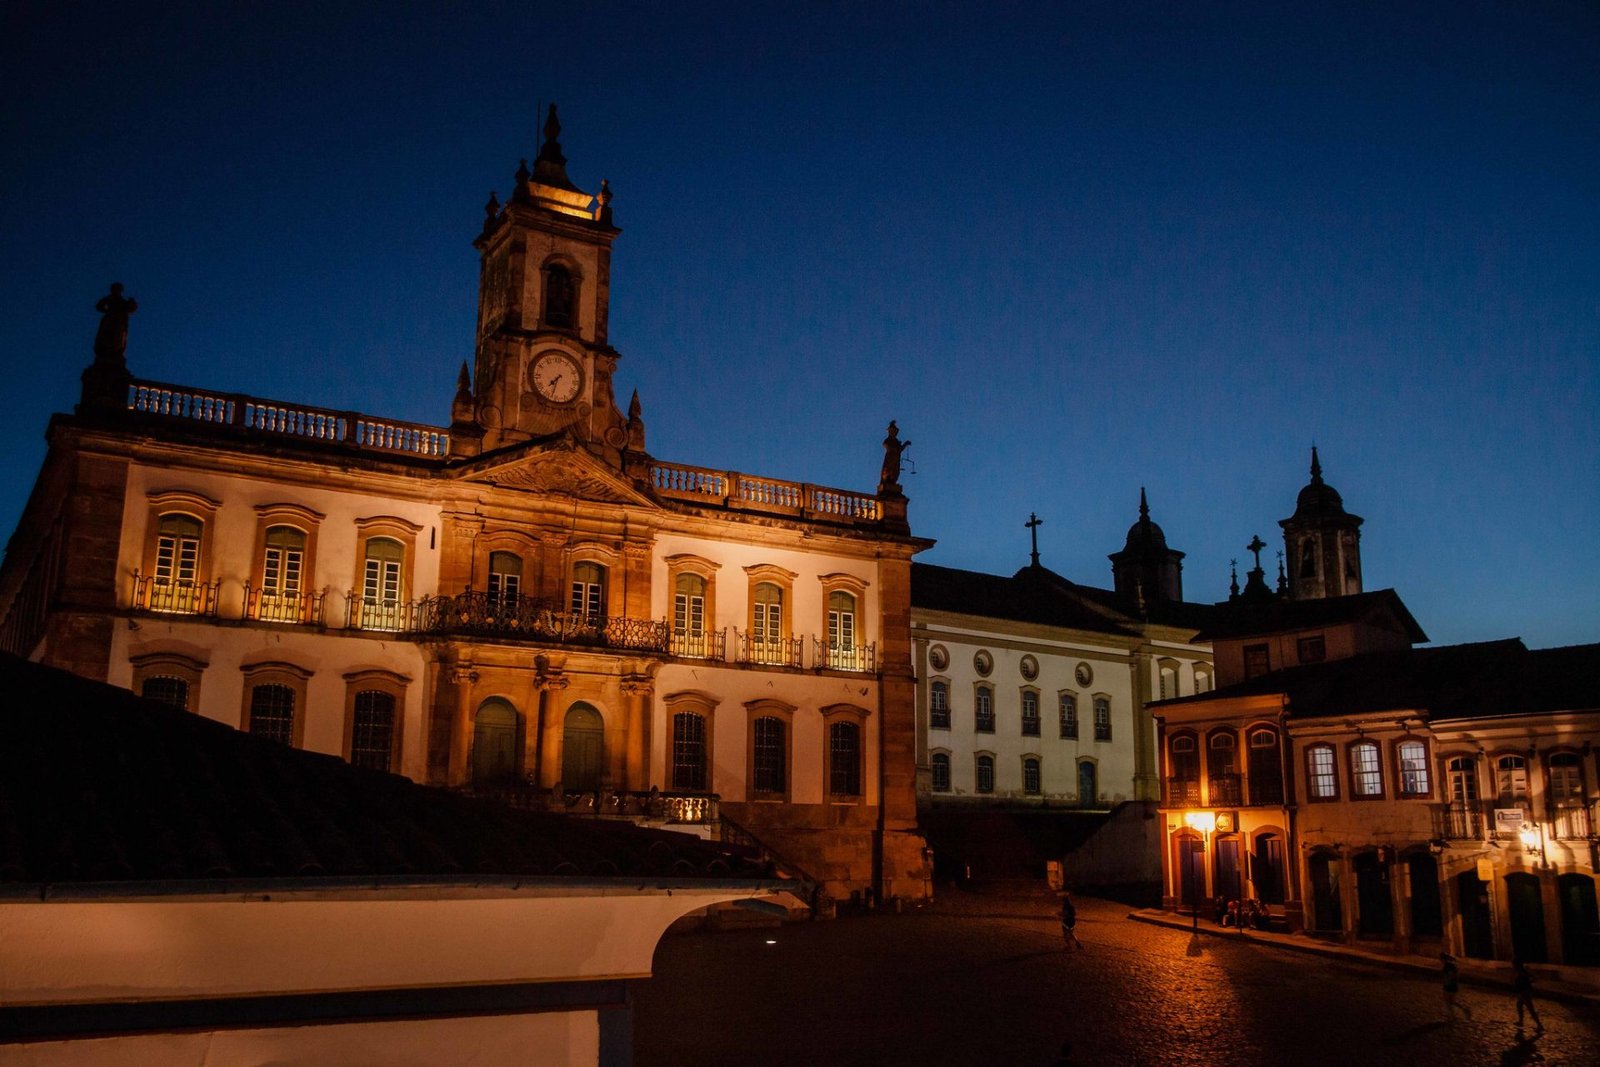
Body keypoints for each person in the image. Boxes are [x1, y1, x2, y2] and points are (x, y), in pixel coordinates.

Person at [1511, 958, 1543, 1033]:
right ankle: (1521, 1021)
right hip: (1522, 992)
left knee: (1531, 1009)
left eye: (1513, 964)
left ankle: (1540, 1025)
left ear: (1516, 965)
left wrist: (1528, 983)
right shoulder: (1520, 971)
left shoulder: (1522, 972)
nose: (1512, 966)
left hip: (1524, 993)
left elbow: (1534, 978)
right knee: (1519, 1006)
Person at [1440, 953, 1470, 1023]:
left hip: (1449, 986)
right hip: (1454, 986)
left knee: (1448, 1002)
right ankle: (1463, 1010)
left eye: (1441, 959)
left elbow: (1450, 976)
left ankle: (1452, 1017)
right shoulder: (1452, 965)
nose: (1440, 960)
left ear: (1443, 959)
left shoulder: (1448, 966)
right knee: (1451, 1002)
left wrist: (1446, 982)